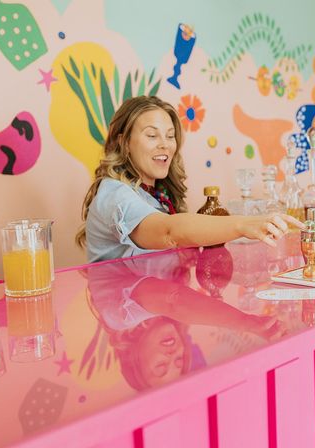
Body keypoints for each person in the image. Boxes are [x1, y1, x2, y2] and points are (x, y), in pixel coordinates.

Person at [75, 96, 303, 262]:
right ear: (124, 142)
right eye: (152, 135)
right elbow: (169, 233)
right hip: (126, 325)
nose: (165, 144)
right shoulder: (114, 193)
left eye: (170, 136)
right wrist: (242, 224)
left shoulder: (158, 197)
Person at [85, 249, 285, 390]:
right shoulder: (163, 318)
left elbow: (174, 299)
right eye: (179, 360)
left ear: (135, 360)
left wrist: (247, 322)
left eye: (161, 366)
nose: (172, 355)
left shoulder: (118, 314)